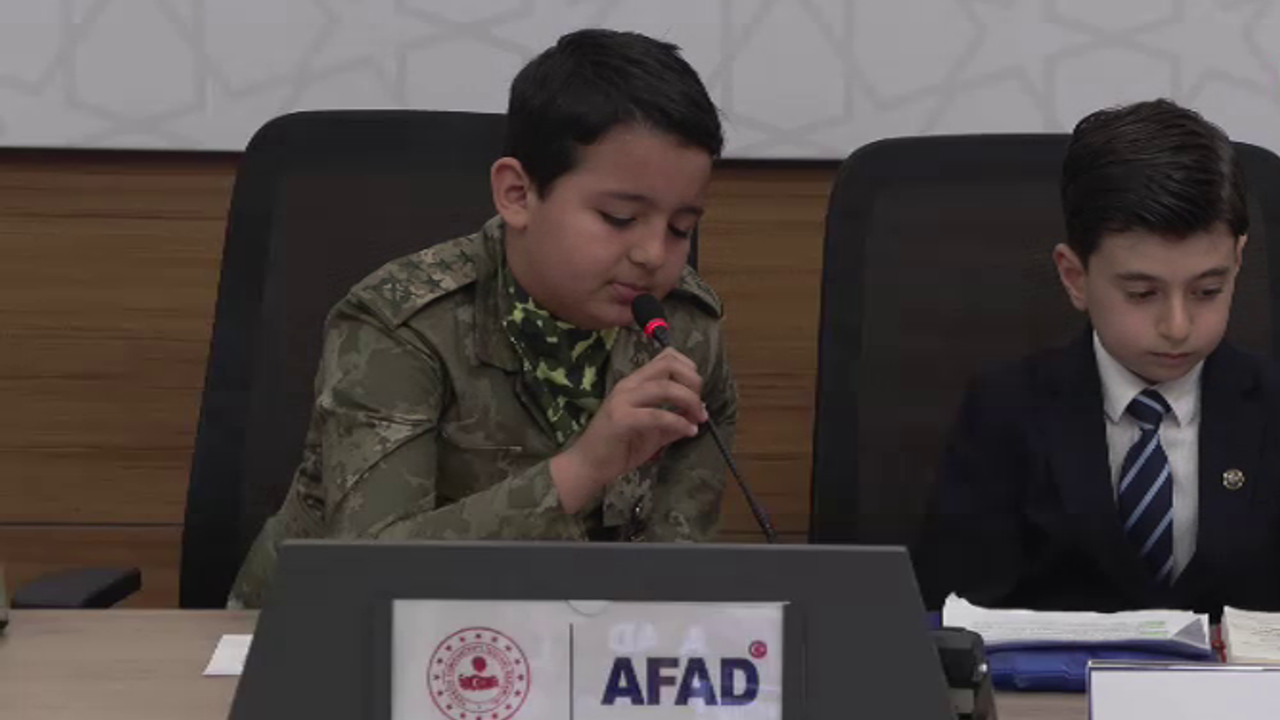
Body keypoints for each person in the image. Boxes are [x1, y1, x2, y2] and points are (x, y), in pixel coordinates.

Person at [229, 28, 737, 608]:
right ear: (517, 194)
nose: (652, 253)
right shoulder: (402, 327)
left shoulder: (684, 334)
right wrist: (583, 468)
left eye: (681, 228)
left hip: (559, 640)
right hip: (316, 632)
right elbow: (369, 569)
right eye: (620, 218)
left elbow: (674, 569)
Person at [915, 99, 1280, 614]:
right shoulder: (1005, 411)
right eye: (1141, 294)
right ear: (1075, 277)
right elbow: (951, 616)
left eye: (1207, 291)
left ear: (1237, 262)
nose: (1177, 326)